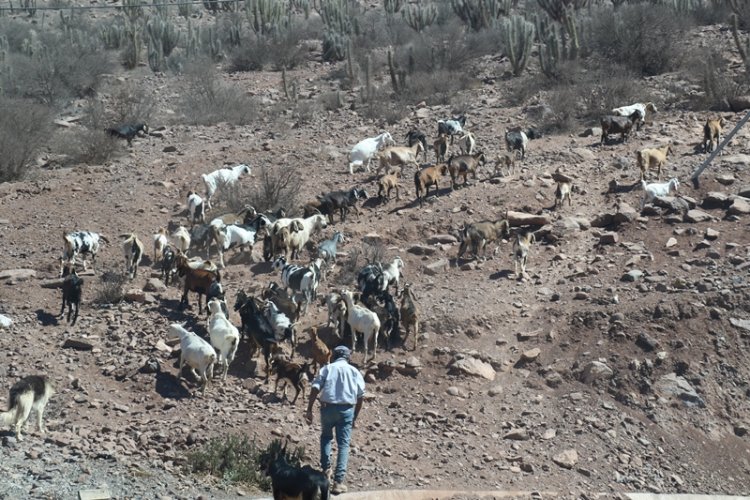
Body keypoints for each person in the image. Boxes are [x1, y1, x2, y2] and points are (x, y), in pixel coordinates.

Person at [305, 345, 365, 495]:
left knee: (326, 438)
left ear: (334, 355)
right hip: (346, 410)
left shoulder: (327, 368)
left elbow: (315, 388)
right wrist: (355, 417)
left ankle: (326, 472)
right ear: (348, 357)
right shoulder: (354, 371)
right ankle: (338, 482)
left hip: (327, 408)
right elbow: (360, 396)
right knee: (343, 444)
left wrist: (309, 409)